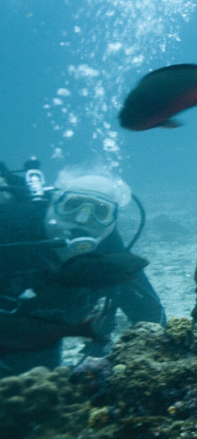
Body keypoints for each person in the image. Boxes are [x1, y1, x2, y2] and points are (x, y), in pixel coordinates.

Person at [0, 160, 163, 376]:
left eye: (101, 211)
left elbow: (151, 317)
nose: (83, 218)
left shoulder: (111, 256)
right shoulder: (10, 229)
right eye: (72, 204)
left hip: (38, 348)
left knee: (39, 377)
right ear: (53, 202)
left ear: (112, 224)